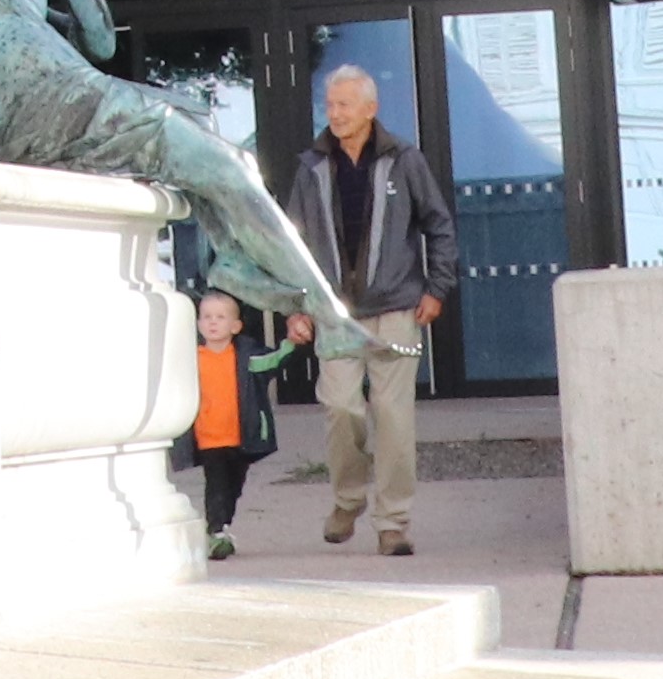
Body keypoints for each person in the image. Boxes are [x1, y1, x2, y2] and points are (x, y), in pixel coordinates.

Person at [282, 65, 459, 557]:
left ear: (370, 109)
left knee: (394, 417)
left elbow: (439, 225)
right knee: (341, 407)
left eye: (344, 105)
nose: (334, 114)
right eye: (330, 105)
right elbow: (292, 244)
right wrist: (296, 308)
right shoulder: (311, 167)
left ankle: (393, 522)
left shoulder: (405, 160)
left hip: (398, 308)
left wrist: (437, 288)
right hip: (334, 315)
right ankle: (347, 500)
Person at [175, 291, 298, 561]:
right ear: (198, 324)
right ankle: (216, 532)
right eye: (206, 317)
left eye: (220, 317)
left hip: (240, 436)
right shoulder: (190, 358)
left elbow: (273, 359)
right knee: (216, 485)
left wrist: (291, 344)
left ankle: (222, 526)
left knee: (234, 486)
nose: (212, 323)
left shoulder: (246, 356)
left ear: (236, 326)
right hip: (208, 437)